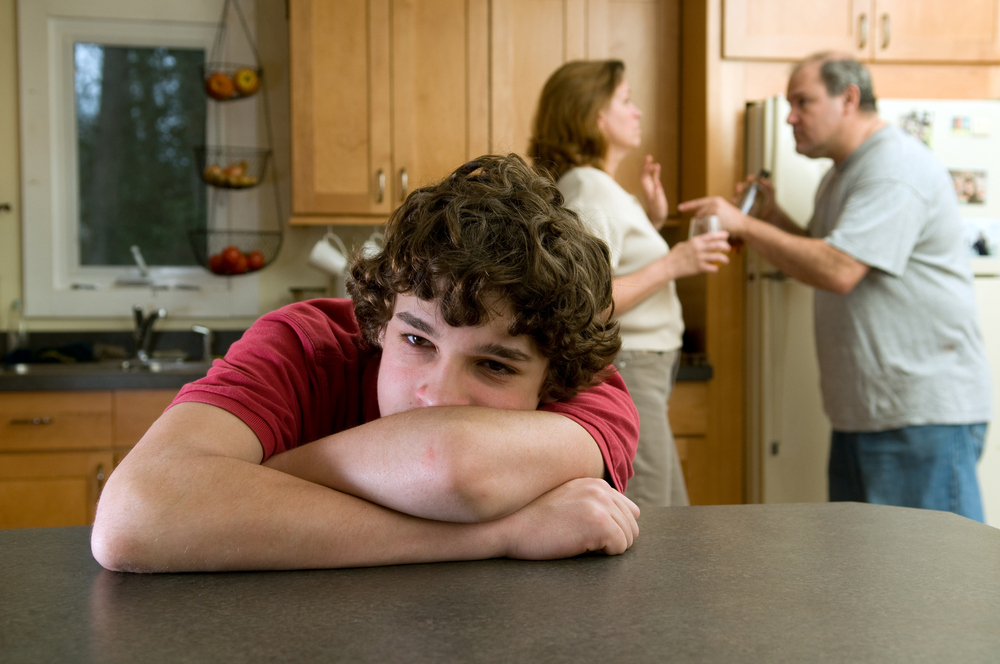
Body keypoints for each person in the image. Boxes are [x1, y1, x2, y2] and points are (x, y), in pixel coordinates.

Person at [91, 154, 641, 572]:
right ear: (378, 323)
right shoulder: (302, 346)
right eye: (417, 341)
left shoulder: (588, 383)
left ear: (556, 380)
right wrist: (501, 534)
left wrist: (242, 487)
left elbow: (450, 462)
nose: (438, 396)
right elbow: (131, 518)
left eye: (495, 366)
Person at [678, 53, 993, 522]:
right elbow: (821, 253)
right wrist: (772, 218)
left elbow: (841, 269)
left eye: (803, 101)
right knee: (868, 577)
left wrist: (743, 221)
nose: (790, 117)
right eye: (788, 104)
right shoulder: (841, 173)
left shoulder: (892, 167)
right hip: (867, 411)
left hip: (919, 414)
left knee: (930, 579)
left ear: (848, 99)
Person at [528, 60, 731, 508]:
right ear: (595, 114)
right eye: (626, 99)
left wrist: (651, 220)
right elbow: (584, 304)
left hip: (644, 370)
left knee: (671, 509)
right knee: (655, 514)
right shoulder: (590, 189)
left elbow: (606, 263)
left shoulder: (597, 188)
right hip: (632, 369)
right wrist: (674, 262)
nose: (637, 111)